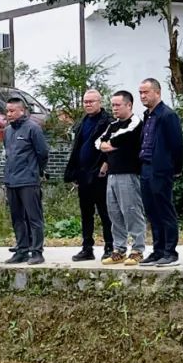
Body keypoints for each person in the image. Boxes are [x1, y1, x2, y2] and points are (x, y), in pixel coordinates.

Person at [137, 78, 183, 268]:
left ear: (157, 92)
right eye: (140, 93)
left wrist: (176, 168)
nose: (143, 96)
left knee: (165, 210)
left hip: (161, 169)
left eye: (146, 92)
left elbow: (177, 145)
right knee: (152, 211)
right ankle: (157, 250)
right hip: (146, 167)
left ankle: (170, 252)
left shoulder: (167, 115)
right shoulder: (148, 116)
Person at [96, 91, 146, 265]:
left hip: (129, 173)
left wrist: (110, 144)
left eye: (118, 105)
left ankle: (138, 249)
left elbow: (121, 138)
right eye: (113, 105)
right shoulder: (112, 125)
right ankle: (119, 249)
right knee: (114, 212)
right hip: (112, 174)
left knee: (132, 211)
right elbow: (99, 143)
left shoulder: (136, 122)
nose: (114, 108)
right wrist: (108, 145)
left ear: (129, 105)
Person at [65, 90, 113, 262]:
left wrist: (106, 163)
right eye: (85, 101)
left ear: (99, 102)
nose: (88, 104)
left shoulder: (108, 122)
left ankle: (110, 246)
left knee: (105, 212)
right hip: (83, 174)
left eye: (92, 101)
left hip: (100, 174)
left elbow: (114, 144)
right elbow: (77, 149)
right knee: (86, 213)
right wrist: (75, 173)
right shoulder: (82, 123)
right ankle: (87, 247)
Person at [3, 96, 50, 265]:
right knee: (17, 218)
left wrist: (36, 171)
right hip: (11, 180)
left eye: (12, 111)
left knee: (34, 218)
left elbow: (43, 153)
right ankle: (22, 250)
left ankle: (37, 251)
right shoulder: (8, 131)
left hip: (28, 180)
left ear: (22, 110)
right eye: (7, 111)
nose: (9, 114)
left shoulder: (33, 129)